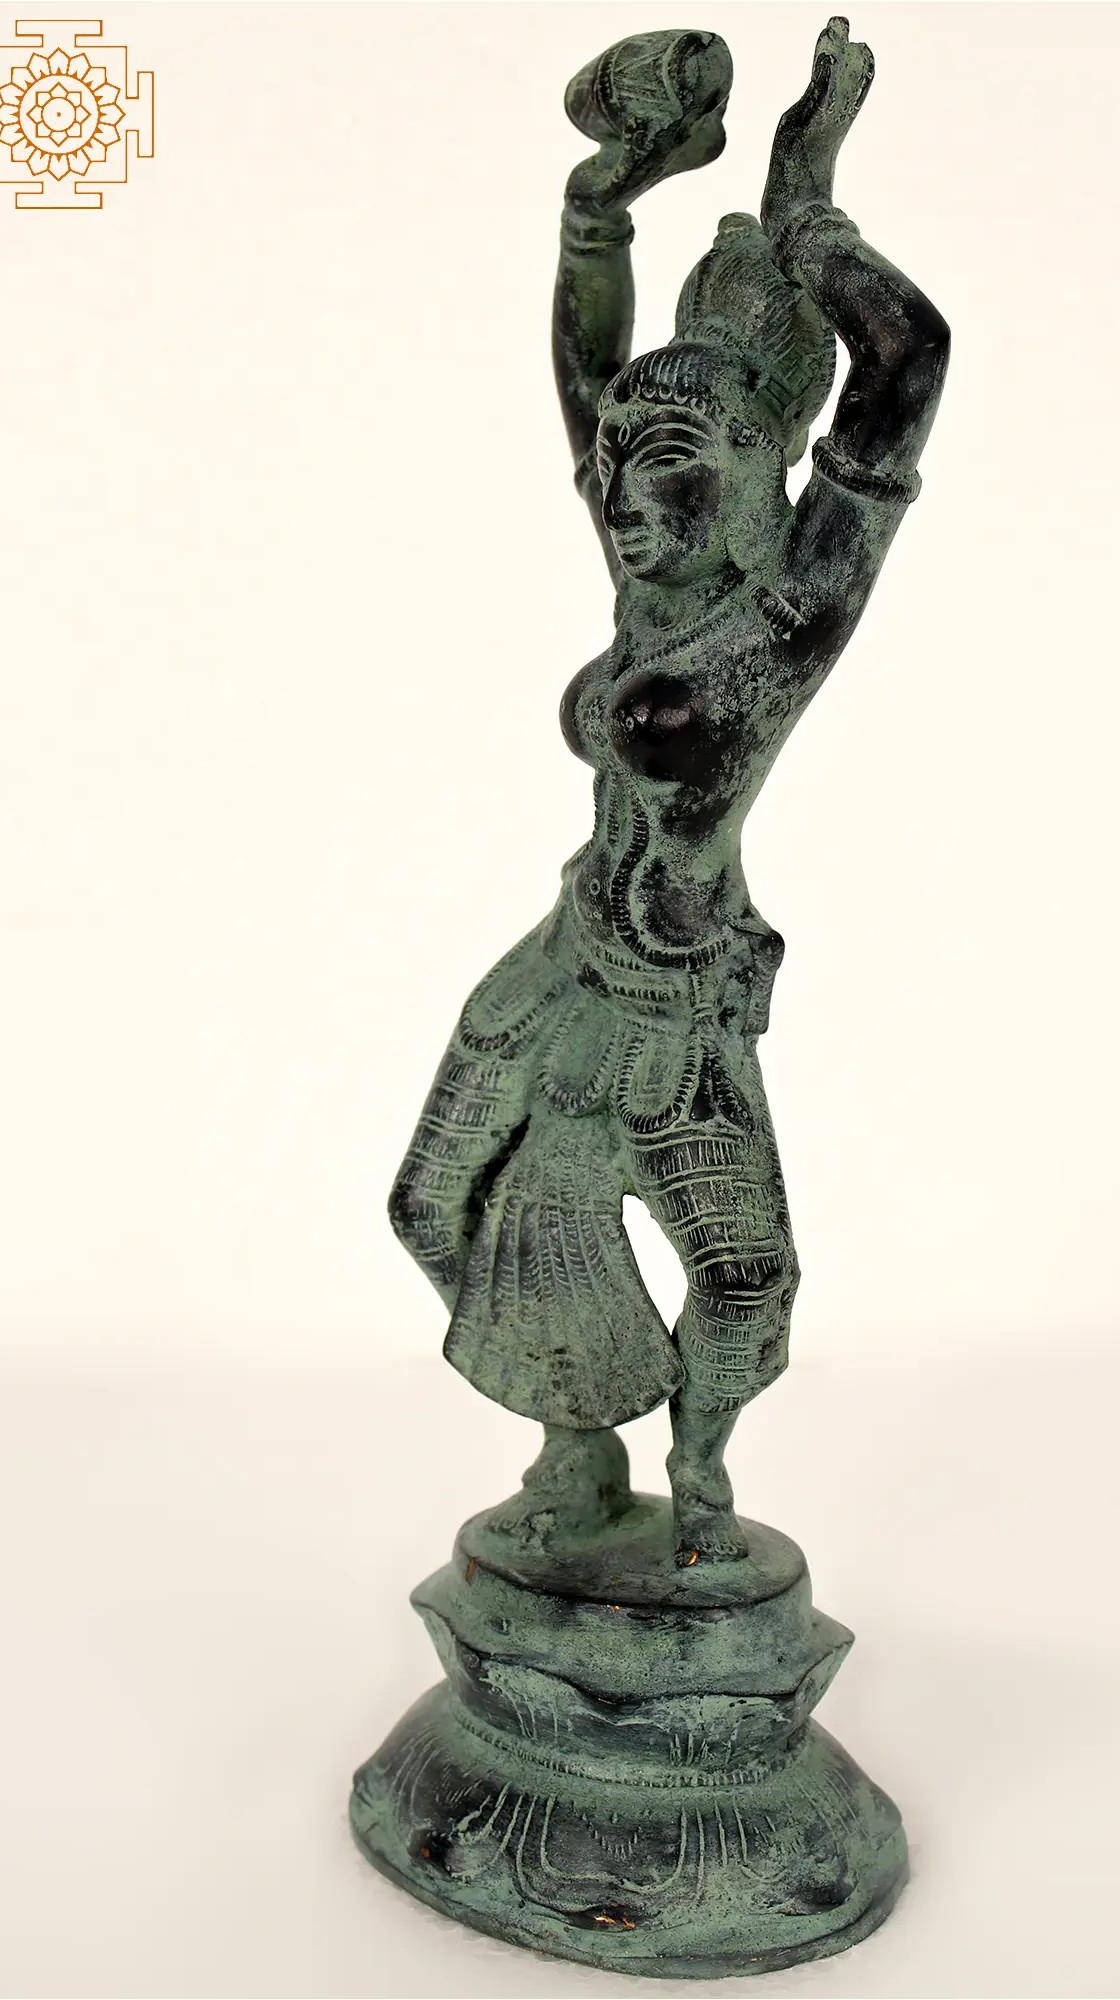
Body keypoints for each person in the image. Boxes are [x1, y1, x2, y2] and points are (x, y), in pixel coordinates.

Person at [388, 18, 949, 1563]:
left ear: (768, 467)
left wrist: (805, 199)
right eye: (620, 466)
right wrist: (602, 204)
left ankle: (697, 1475)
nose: (628, 497)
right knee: (432, 1210)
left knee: (748, 1282)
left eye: (674, 461)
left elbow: (907, 363)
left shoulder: (784, 618)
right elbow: (588, 372)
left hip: (680, 1010)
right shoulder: (647, 584)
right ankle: (578, 1448)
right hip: (565, 962)